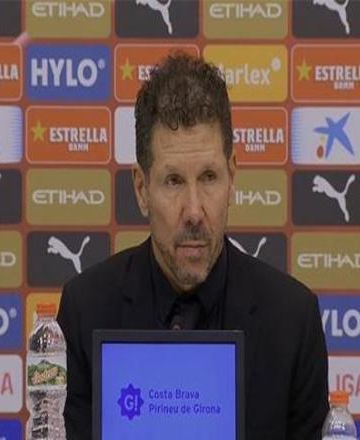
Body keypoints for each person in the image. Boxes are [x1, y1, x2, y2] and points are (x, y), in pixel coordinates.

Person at [57, 53, 329, 440]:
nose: (195, 211)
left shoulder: (292, 320)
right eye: (173, 182)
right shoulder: (86, 310)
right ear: (141, 189)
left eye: (209, 177)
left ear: (232, 178)